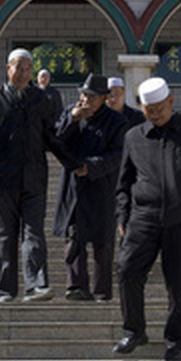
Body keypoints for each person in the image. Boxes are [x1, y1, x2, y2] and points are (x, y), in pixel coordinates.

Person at [113, 78, 181, 361]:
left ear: (171, 102)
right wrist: (123, 214)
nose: (154, 114)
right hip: (142, 217)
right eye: (148, 109)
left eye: (159, 108)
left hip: (180, 219)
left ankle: (176, 339)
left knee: (179, 281)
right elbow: (124, 182)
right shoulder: (134, 137)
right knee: (127, 270)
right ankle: (134, 330)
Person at [0, 48, 82, 302]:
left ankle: (36, 285)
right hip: (2, 179)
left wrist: (73, 162)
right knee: (4, 236)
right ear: (8, 69)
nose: (22, 73)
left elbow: (51, 138)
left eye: (27, 69)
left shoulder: (39, 99)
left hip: (34, 178)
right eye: (18, 67)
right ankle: (6, 290)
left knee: (34, 233)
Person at [52, 74, 127, 301]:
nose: (86, 100)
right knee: (74, 238)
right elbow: (55, 141)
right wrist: (72, 120)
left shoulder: (116, 122)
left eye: (92, 97)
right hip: (73, 186)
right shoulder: (70, 113)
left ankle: (102, 290)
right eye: (83, 95)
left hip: (101, 185)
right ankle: (76, 286)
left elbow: (119, 154)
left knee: (103, 241)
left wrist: (92, 167)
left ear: (104, 98)